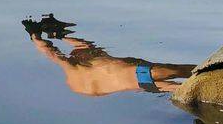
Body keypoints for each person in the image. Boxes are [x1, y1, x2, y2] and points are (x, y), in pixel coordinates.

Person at [22, 14, 196, 95]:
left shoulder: (77, 84)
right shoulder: (82, 63)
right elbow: (61, 51)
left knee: (188, 90)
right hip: (143, 71)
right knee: (195, 70)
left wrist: (35, 37)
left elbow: (54, 52)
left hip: (145, 86)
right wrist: (51, 36)